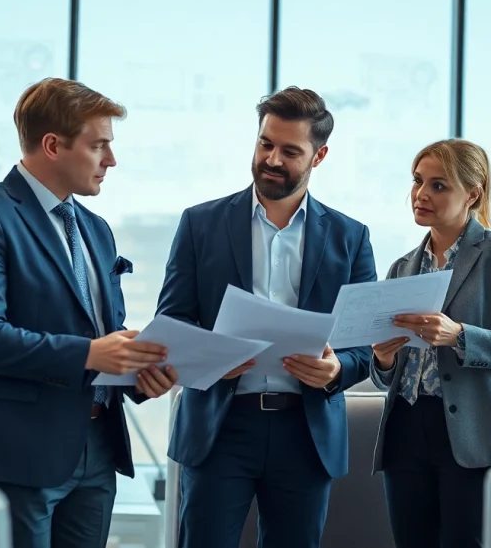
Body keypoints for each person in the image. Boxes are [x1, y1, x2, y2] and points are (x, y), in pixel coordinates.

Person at [0, 77, 179, 548]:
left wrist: (139, 373)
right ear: (53, 145)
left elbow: (101, 335)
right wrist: (91, 354)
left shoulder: (95, 228)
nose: (111, 160)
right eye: (99, 146)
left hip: (97, 450)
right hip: (19, 454)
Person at [157, 86, 378, 548]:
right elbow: (173, 322)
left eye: (290, 151)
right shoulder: (200, 225)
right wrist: (211, 356)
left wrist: (337, 369)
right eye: (265, 144)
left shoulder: (351, 238)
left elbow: (366, 344)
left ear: (319, 157)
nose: (272, 159)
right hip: (219, 427)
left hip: (306, 431)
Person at [369, 138, 491, 548]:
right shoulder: (402, 267)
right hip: (406, 432)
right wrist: (383, 358)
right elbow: (385, 377)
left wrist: (459, 335)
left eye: (438, 185)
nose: (421, 194)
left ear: (473, 193)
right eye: (417, 181)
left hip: (475, 432)